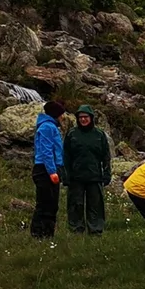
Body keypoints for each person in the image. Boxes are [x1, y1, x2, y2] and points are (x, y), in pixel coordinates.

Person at [62, 104, 112, 235]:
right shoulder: (72, 134)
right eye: (80, 117)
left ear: (91, 118)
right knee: (75, 205)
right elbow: (66, 156)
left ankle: (95, 231)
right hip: (76, 177)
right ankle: (76, 230)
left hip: (94, 176)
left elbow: (106, 156)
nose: (83, 119)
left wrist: (107, 173)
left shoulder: (99, 135)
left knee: (95, 206)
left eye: (86, 117)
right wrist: (65, 174)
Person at [29, 98, 65, 238]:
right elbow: (46, 151)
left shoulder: (50, 126)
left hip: (49, 169)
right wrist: (52, 171)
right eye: (61, 114)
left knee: (51, 204)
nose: (62, 117)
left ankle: (47, 234)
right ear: (56, 114)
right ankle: (39, 234)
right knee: (45, 203)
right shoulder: (47, 127)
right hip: (45, 170)